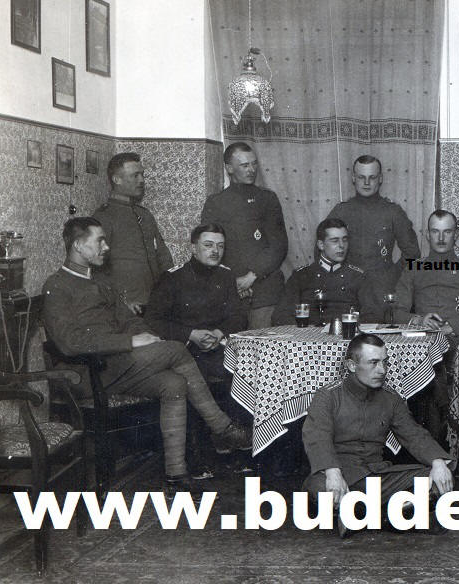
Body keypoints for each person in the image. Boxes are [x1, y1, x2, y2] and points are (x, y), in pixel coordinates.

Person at [42, 218, 250, 495]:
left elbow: (130, 320)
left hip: (115, 368)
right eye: (100, 240)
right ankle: (221, 425)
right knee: (176, 350)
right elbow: (69, 343)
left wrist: (147, 336)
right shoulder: (56, 286)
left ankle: (176, 473)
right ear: (79, 245)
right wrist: (130, 341)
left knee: (174, 383)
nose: (106, 246)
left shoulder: (101, 282)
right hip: (84, 375)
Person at [301, 333, 454, 537]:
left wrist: (437, 462)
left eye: (384, 362)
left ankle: (366, 517)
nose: (382, 370)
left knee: (440, 477)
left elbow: (414, 434)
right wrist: (333, 473)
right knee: (317, 489)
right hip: (340, 476)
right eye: (373, 363)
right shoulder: (329, 396)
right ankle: (393, 517)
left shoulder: (390, 398)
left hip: (377, 479)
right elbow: (317, 437)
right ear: (351, 365)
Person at [395, 209, 459, 441]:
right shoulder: (413, 268)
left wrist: (451, 326)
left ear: (456, 235)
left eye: (447, 232)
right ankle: (437, 439)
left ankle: (441, 438)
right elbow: (396, 312)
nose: (441, 238)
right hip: (421, 341)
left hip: (455, 340)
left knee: (438, 367)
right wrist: (419, 319)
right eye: (436, 232)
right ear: (427, 235)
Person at [201, 142, 288, 329]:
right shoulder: (215, 203)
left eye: (254, 164)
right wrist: (231, 283)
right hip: (229, 290)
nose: (251, 170)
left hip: (264, 290)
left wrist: (252, 276)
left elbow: (279, 246)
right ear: (229, 168)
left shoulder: (267, 199)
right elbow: (208, 248)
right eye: (244, 165)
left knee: (263, 342)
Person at [145, 224, 246, 380]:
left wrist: (218, 333)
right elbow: (152, 320)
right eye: (208, 245)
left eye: (220, 246)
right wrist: (191, 334)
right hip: (186, 349)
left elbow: (238, 315)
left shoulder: (226, 276)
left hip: (220, 345)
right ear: (193, 248)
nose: (215, 251)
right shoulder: (172, 278)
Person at [93, 152, 173, 314]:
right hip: (127, 307)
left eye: (142, 175)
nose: (141, 180)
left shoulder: (145, 215)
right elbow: (96, 267)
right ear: (117, 179)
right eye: (135, 175)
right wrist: (119, 302)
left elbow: (163, 256)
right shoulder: (104, 217)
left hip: (155, 303)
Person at [327, 155, 421, 292]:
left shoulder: (393, 212)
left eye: (372, 177)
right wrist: (337, 276)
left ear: (380, 178)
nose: (366, 183)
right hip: (346, 287)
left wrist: (392, 276)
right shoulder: (341, 211)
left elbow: (412, 253)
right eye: (361, 177)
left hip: (381, 289)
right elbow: (322, 249)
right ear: (353, 178)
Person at [272, 218, 383, 325]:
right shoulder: (301, 276)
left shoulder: (358, 276)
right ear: (321, 245)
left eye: (344, 240)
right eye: (335, 241)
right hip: (310, 335)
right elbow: (281, 315)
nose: (341, 246)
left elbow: (373, 315)